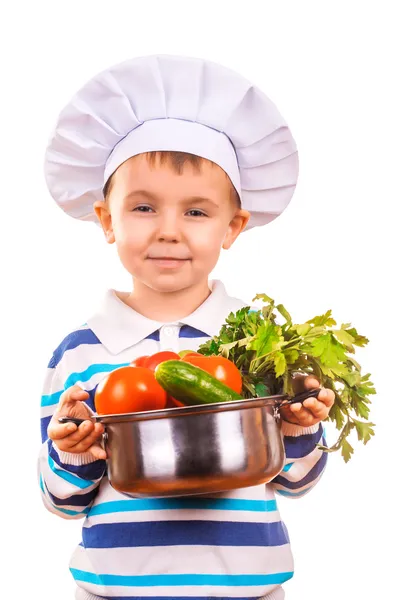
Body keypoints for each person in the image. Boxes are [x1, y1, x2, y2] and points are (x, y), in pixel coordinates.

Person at [38, 55, 334, 600]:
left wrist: (297, 430)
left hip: (251, 589)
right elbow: (60, 500)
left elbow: (297, 481)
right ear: (108, 220)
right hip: (114, 592)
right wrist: (74, 450)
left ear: (233, 227)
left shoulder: (257, 347)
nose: (169, 231)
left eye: (196, 213)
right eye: (144, 207)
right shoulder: (79, 351)